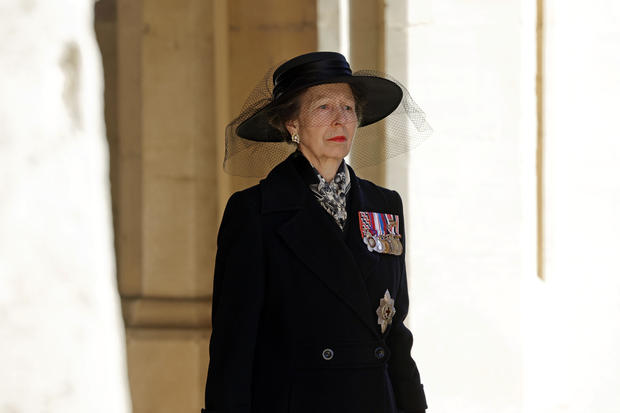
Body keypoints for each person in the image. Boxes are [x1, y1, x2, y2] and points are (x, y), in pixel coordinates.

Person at [202, 51, 431, 413]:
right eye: (324, 107)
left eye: (349, 108)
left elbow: (395, 333)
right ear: (292, 123)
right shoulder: (254, 212)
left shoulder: (385, 205)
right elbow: (234, 344)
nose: (340, 121)